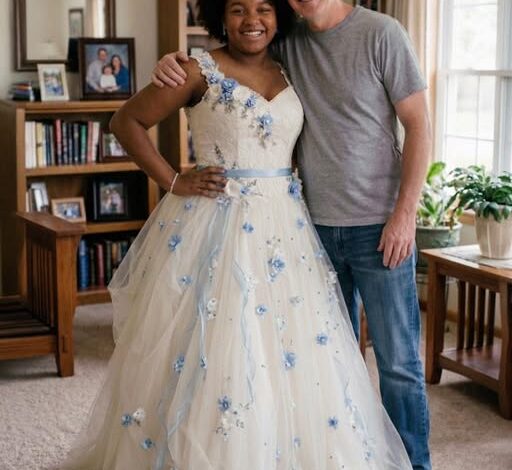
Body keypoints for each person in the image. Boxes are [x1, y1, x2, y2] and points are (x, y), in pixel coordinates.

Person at [62, 0, 413, 469]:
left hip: (288, 228)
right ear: (219, 17)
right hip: (215, 223)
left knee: (298, 353)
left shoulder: (291, 63)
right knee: (216, 347)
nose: (252, 21)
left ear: (279, 16)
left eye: (264, 9)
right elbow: (126, 121)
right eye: (237, 9)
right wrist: (173, 180)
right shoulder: (195, 69)